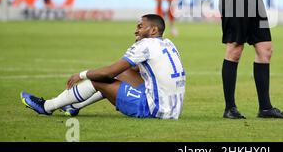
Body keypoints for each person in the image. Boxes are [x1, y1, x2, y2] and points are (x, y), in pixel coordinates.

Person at [20, 14, 186, 119]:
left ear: (153, 30)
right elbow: (133, 70)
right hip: (173, 109)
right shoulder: (168, 42)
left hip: (154, 110)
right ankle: (73, 105)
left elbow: (108, 73)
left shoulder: (145, 45)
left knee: (99, 80)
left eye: (140, 27)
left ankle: (47, 107)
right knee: (123, 73)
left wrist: (82, 75)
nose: (135, 31)